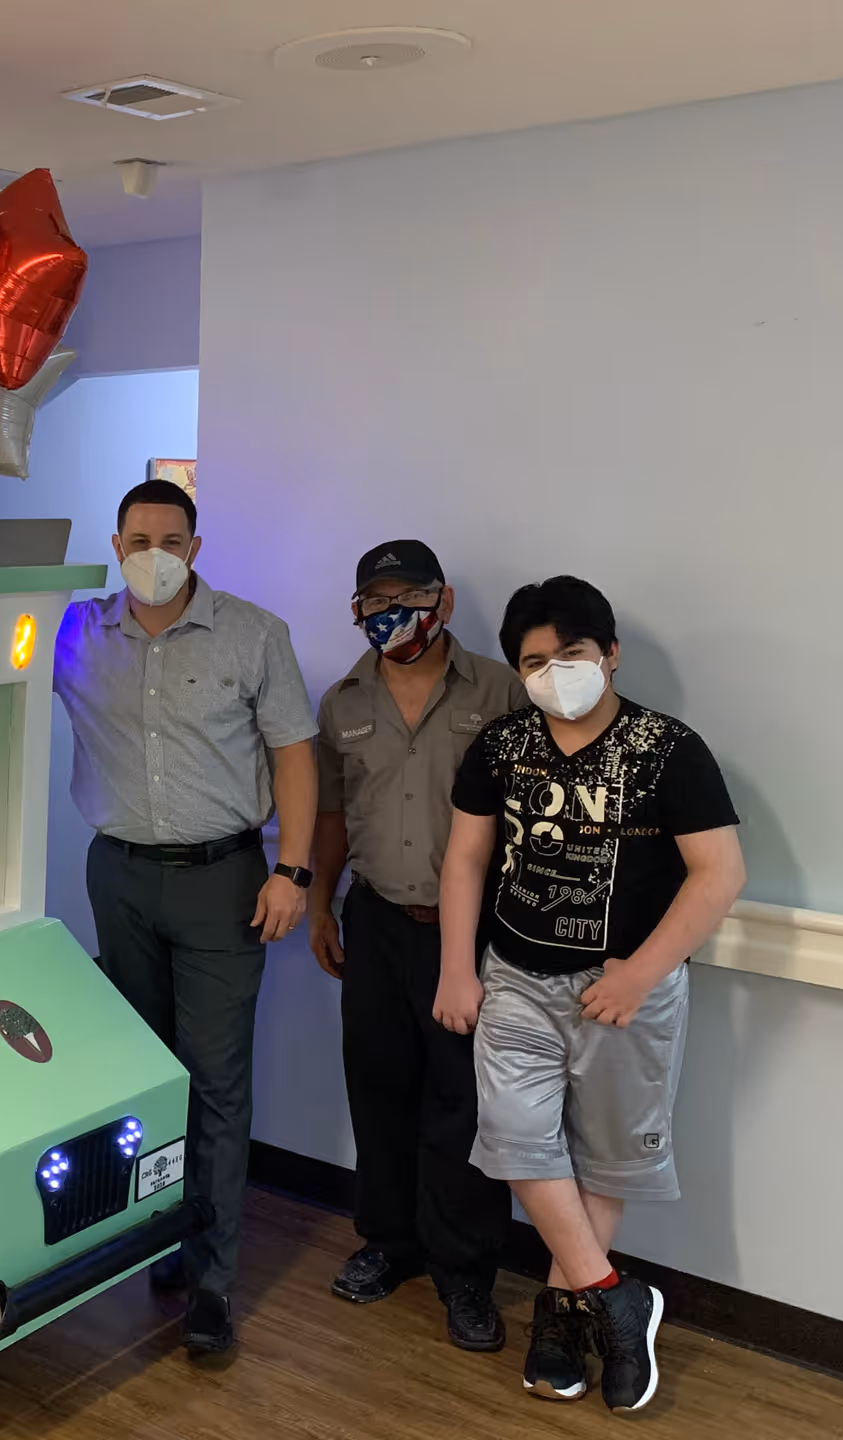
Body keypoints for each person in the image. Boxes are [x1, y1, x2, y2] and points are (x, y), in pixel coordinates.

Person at [435, 576, 744, 1414]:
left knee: (604, 1158)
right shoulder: (501, 746)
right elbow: (465, 860)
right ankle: (614, 1296)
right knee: (513, 1136)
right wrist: (457, 968)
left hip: (626, 988)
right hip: (515, 978)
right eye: (534, 661)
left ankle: (560, 1318)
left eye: (570, 653)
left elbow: (719, 874)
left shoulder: (667, 749)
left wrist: (639, 973)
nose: (554, 673)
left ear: (609, 654)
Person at [53, 479, 318, 1356]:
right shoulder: (76, 633)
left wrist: (292, 871)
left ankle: (211, 1279)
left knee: (215, 1083)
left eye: (171, 541)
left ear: (196, 548)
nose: (155, 556)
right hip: (119, 877)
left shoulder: (253, 634)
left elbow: (295, 756)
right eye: (139, 541)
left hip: (224, 882)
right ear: (117, 546)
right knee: (145, 1075)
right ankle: (158, 1237)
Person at [308, 540, 525, 1351]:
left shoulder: (501, 692)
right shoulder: (343, 702)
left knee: (463, 1104)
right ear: (357, 608)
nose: (392, 613)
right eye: (376, 600)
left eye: (409, 596)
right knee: (378, 1088)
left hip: (470, 932)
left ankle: (464, 1272)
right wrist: (322, 905)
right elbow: (334, 811)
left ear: (445, 601)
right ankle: (389, 1243)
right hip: (374, 921)